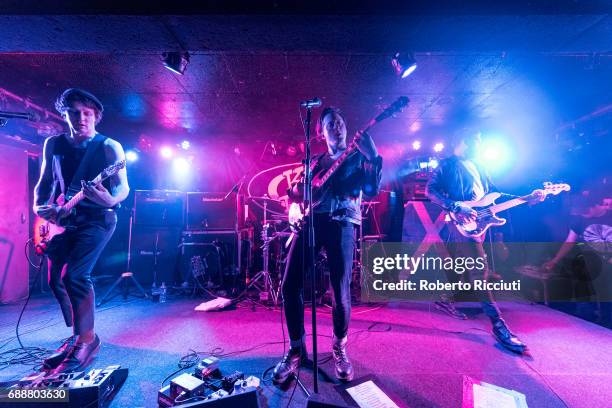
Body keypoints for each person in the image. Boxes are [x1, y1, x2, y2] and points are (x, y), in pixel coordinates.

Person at [272, 107, 382, 384]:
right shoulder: (315, 161)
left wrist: (374, 158)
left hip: (343, 223)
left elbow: (371, 190)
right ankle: (296, 349)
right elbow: (296, 192)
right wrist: (294, 209)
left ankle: (339, 348)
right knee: (289, 285)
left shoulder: (358, 157)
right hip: (312, 222)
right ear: (321, 133)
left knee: (340, 289)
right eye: (331, 124)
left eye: (341, 122)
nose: (338, 127)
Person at [33, 88, 129, 372]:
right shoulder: (53, 144)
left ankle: (87, 339)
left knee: (75, 276)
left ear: (96, 116)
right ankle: (76, 335)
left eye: (87, 113)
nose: (82, 118)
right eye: (75, 112)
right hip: (66, 220)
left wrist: (111, 199)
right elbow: (45, 182)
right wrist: (42, 208)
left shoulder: (109, 146)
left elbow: (123, 186)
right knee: (56, 280)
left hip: (99, 219)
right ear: (65, 114)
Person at [426, 129, 543, 354]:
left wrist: (529, 198)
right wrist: (454, 205)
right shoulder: (447, 165)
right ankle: (498, 325)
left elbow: (494, 196)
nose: (478, 144)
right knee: (480, 269)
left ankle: (444, 297)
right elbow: (430, 190)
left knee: (462, 264)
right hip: (461, 221)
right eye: (474, 139)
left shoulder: (480, 165)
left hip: (479, 221)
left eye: (480, 139)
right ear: (460, 139)